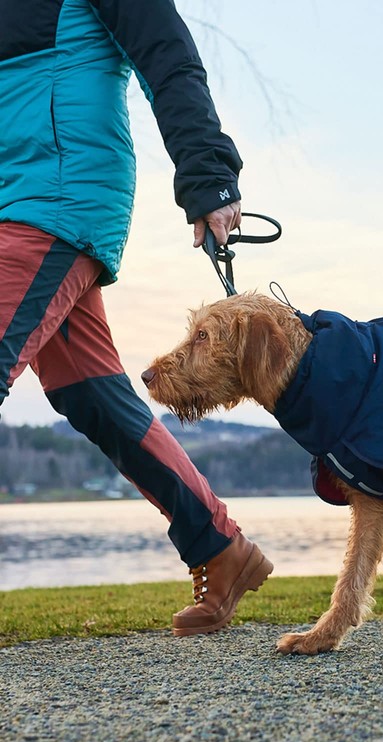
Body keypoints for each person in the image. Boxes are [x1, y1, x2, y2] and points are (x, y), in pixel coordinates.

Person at [0, 0, 273, 636]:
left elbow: (167, 56)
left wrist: (208, 177)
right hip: (14, 201)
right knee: (93, 397)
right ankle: (218, 546)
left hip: (57, 195)